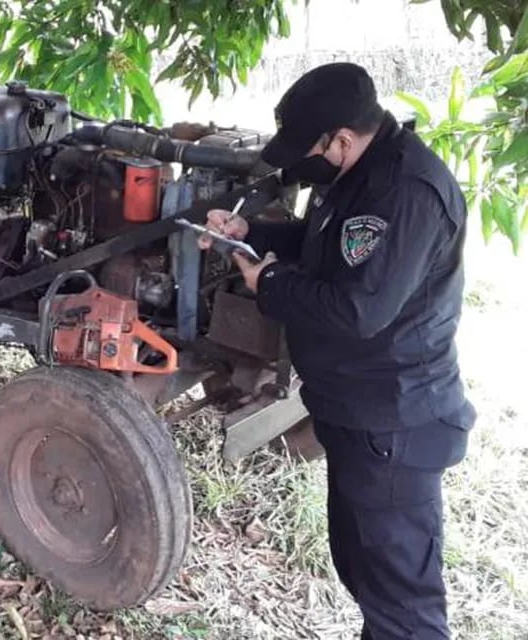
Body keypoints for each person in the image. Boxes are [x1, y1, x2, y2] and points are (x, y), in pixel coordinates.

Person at [199, 62, 477, 639]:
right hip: (357, 413)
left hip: (394, 425)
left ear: (342, 139)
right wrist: (251, 235)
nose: (304, 162)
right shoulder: (357, 174)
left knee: (402, 604)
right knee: (364, 573)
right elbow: (322, 246)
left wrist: (268, 285)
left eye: (311, 148)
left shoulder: (408, 193)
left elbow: (359, 311)